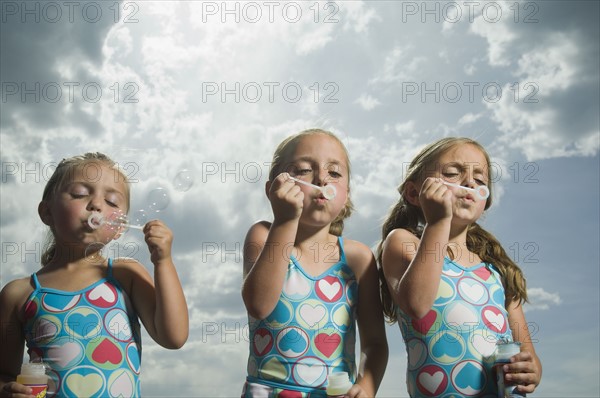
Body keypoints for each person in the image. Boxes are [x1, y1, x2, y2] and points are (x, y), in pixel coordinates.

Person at [0, 153, 188, 398]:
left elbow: (173, 337)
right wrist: (6, 390)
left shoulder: (125, 275)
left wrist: (163, 261)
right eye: (79, 194)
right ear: (46, 212)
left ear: (120, 228)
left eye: (111, 201)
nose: (97, 205)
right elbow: (4, 373)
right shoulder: (19, 293)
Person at [377, 137, 542, 397]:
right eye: (453, 173)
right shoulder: (403, 241)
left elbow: (526, 353)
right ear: (413, 193)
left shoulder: (497, 270)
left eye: (480, 179)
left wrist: (531, 370)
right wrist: (438, 222)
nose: (470, 182)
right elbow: (417, 304)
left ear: (484, 199)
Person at [241, 129, 388, 397]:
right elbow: (258, 304)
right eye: (304, 169)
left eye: (334, 173)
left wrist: (365, 387)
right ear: (273, 188)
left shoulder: (358, 258)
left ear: (346, 195)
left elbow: (375, 343)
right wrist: (285, 221)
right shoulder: (262, 235)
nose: (321, 178)